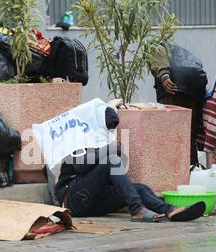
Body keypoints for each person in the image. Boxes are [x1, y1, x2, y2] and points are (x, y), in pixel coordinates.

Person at [55, 107, 206, 222]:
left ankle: (170, 211)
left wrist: (115, 150)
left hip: (94, 201)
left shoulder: (103, 139)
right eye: (105, 128)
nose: (107, 132)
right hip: (73, 200)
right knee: (111, 161)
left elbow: (108, 172)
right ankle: (137, 209)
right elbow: (81, 166)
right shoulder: (77, 135)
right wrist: (109, 150)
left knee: (140, 189)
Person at [151, 45, 208, 165]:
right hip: (196, 83)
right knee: (190, 133)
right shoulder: (183, 53)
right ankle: (193, 169)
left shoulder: (155, 44)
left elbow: (158, 53)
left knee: (171, 131)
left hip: (174, 85)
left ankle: (174, 169)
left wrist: (164, 76)